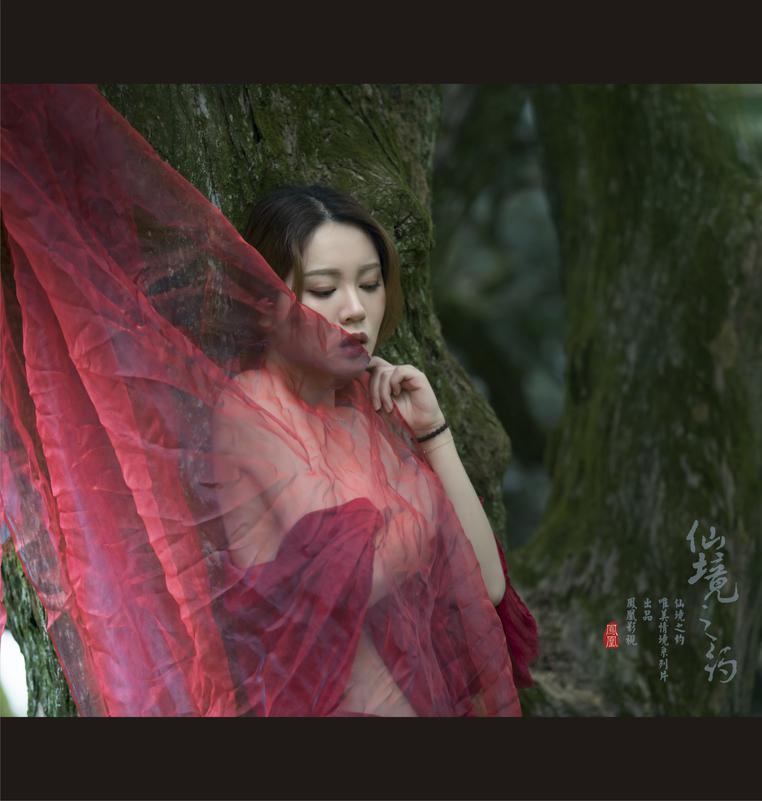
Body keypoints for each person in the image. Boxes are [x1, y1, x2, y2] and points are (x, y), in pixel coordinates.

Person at [0, 84, 537, 716]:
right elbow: (358, 579)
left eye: (369, 284)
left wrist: (434, 435)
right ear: (267, 303)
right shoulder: (253, 407)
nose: (356, 310)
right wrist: (420, 510)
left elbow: (486, 583)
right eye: (324, 290)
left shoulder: (366, 411)